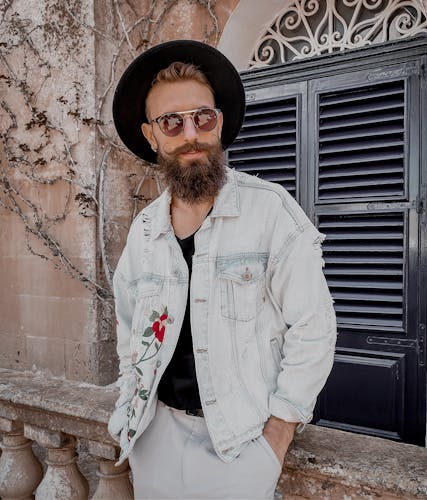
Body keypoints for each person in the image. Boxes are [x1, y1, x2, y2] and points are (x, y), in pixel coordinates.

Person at [108, 39, 337, 499]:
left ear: (219, 123)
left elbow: (314, 326)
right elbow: (129, 331)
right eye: (172, 122)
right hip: (154, 435)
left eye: (202, 117)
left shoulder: (271, 211)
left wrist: (279, 434)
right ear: (152, 136)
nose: (190, 133)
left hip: (242, 443)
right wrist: (127, 409)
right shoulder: (144, 231)